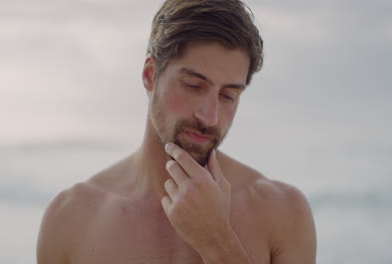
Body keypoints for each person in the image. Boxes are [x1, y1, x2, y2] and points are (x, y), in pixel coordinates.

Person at [37, 0, 317, 263]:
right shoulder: (70, 218)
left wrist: (218, 242)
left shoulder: (283, 213)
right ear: (150, 75)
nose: (210, 116)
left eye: (228, 95)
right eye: (193, 86)